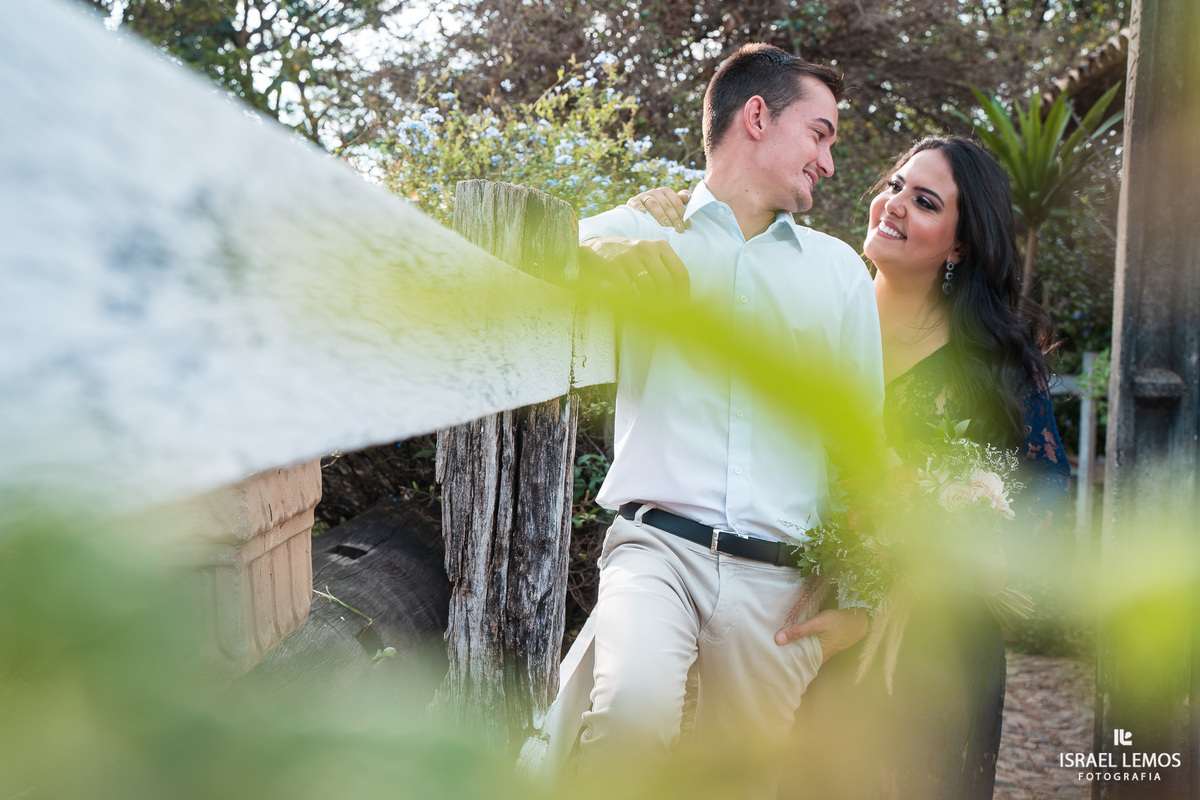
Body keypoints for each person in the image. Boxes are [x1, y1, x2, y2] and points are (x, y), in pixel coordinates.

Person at [628, 135, 1070, 798]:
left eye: (923, 201)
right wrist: (646, 219)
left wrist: (900, 589)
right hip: (790, 619)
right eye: (894, 184)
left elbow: (1040, 503)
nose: (892, 205)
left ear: (960, 245)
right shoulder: (813, 303)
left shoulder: (992, 368)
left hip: (928, 654)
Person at [573, 43, 885, 797]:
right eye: (820, 133)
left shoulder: (839, 270)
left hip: (781, 591)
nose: (829, 161)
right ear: (756, 116)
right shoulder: (643, 229)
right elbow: (518, 251)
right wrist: (592, 256)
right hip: (657, 551)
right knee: (625, 721)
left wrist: (864, 596)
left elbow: (863, 450)